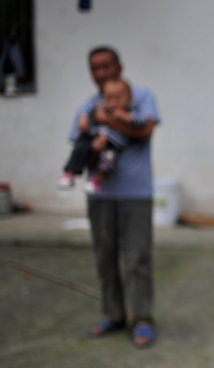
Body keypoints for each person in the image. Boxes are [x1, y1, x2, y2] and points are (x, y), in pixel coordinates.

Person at [68, 45, 161, 349]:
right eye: (95, 68)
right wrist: (90, 137)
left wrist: (107, 120)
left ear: (120, 67)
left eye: (106, 66)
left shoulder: (140, 96)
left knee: (137, 258)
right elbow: (81, 146)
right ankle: (114, 315)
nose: (101, 72)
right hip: (100, 194)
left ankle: (142, 319)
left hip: (136, 192)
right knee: (105, 258)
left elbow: (145, 130)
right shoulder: (87, 107)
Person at [58, 77, 145, 195]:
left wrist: (125, 117)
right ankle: (69, 173)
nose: (114, 102)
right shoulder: (101, 107)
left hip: (113, 144)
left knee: (107, 162)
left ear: (129, 98)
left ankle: (95, 181)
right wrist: (84, 118)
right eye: (109, 98)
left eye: (118, 98)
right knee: (80, 147)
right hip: (93, 137)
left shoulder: (131, 112)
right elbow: (88, 109)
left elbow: (141, 122)